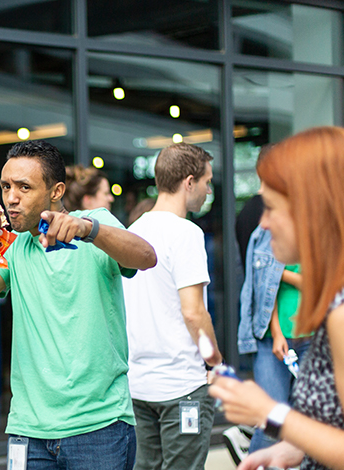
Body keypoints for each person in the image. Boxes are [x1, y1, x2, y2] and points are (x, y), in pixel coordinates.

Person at [0, 140, 157, 470]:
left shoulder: (94, 222)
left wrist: (88, 230)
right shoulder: (14, 245)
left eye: (24, 187)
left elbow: (146, 257)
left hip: (98, 426)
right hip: (27, 430)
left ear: (56, 190)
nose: (11, 197)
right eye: (6, 186)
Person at [210, 126, 344, 470]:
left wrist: (270, 413)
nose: (265, 223)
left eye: (271, 208)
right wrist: (294, 450)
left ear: (314, 210)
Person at [122, 143, 223, 470]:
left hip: (137, 386)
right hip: (182, 386)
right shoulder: (186, 233)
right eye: (207, 182)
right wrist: (215, 362)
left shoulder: (131, 232)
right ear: (189, 181)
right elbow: (193, 312)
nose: (209, 191)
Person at [237, 224, 310, 454]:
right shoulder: (267, 231)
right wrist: (277, 333)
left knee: (312, 422)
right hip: (272, 339)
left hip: (313, 338)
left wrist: (280, 273)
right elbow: (265, 290)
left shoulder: (321, 228)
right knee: (273, 424)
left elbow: (318, 284)